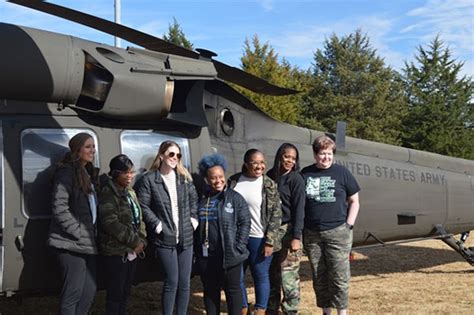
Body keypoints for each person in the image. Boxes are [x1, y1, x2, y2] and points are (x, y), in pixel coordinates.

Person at [134, 140, 198, 315]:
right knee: (172, 280)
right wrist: (157, 225)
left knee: (185, 283)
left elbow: (194, 201)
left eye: (178, 155)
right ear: (161, 155)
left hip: (186, 236)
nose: (175, 158)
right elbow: (143, 205)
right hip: (165, 238)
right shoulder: (150, 179)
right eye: (171, 154)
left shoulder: (184, 179)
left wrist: (193, 220)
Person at [302, 136, 360, 315]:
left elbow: (355, 201)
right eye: (321, 154)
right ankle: (326, 311)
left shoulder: (342, 173)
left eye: (329, 154)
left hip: (338, 232)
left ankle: (342, 312)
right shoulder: (305, 173)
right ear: (315, 154)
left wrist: (348, 225)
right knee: (319, 276)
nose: (325, 157)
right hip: (313, 235)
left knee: (339, 277)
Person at [48, 132, 99, 315]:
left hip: (87, 244)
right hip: (70, 243)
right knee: (73, 293)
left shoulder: (88, 173)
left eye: (93, 146)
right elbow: (59, 207)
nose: (92, 150)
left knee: (89, 291)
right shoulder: (66, 172)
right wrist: (78, 231)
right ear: (77, 150)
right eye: (87, 146)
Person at [228, 148, 282, 315]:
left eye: (262, 162)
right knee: (238, 276)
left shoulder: (269, 184)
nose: (259, 166)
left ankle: (260, 309)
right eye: (255, 163)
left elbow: (276, 214)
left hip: (259, 238)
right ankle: (243, 307)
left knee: (260, 275)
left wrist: (270, 241)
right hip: (237, 238)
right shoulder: (234, 181)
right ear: (246, 164)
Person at [195, 153, 251, 315]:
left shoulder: (235, 198)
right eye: (213, 178)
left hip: (230, 255)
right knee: (211, 292)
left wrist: (238, 246)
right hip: (207, 256)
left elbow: (244, 223)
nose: (218, 180)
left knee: (233, 292)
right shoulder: (202, 199)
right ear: (207, 179)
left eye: (220, 176)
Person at [98, 154, 147, 315]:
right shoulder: (108, 192)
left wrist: (142, 239)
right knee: (115, 295)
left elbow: (139, 217)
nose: (130, 176)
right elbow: (110, 222)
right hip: (116, 252)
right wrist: (134, 241)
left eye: (131, 172)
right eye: (126, 173)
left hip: (132, 251)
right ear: (115, 173)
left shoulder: (130, 192)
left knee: (126, 293)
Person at [267, 143, 306, 315]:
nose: (289, 160)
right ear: (279, 156)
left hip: (289, 230)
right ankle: (271, 308)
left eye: (293, 158)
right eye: (286, 156)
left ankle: (290, 309)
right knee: (272, 274)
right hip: (271, 232)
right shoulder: (269, 176)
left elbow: (299, 209)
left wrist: (296, 236)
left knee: (288, 276)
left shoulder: (296, 179)